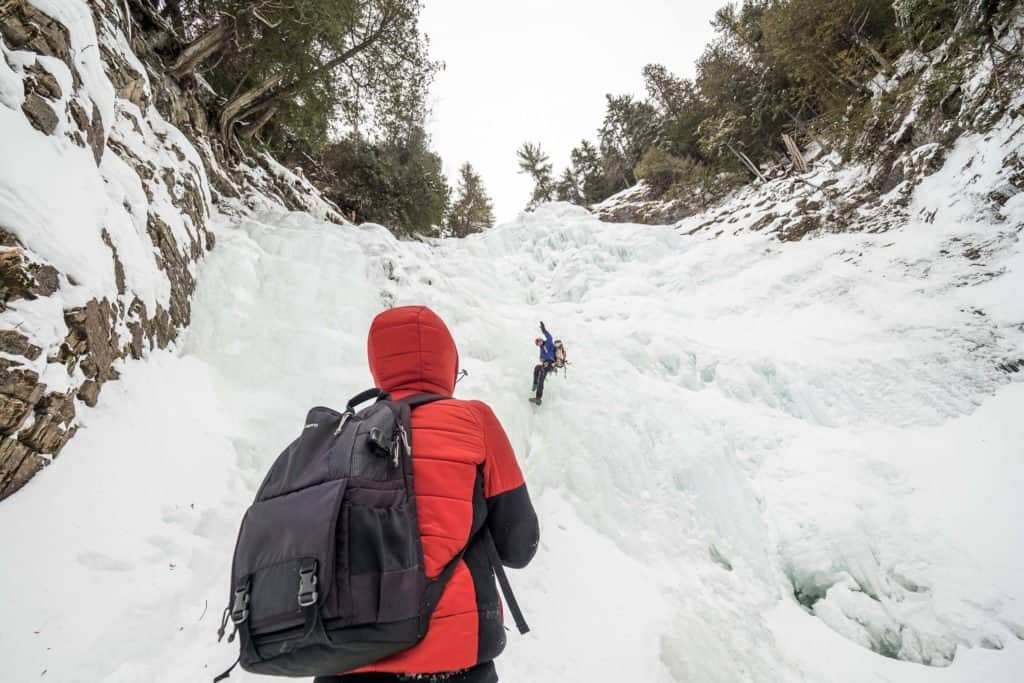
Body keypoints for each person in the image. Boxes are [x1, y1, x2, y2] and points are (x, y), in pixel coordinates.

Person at [315, 305, 539, 683]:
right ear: (447, 363)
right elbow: (520, 547)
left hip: (345, 659)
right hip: (455, 659)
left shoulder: (343, 433)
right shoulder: (475, 420)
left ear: (378, 365)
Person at [530, 321, 556, 405]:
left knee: (542, 377)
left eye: (539, 341)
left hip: (551, 363)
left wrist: (544, 330)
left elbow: (549, 337)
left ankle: (538, 398)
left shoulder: (548, 343)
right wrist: (542, 359)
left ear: (542, 340)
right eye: (538, 343)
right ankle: (535, 383)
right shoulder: (541, 348)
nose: (539, 343)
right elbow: (541, 358)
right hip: (545, 364)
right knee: (536, 368)